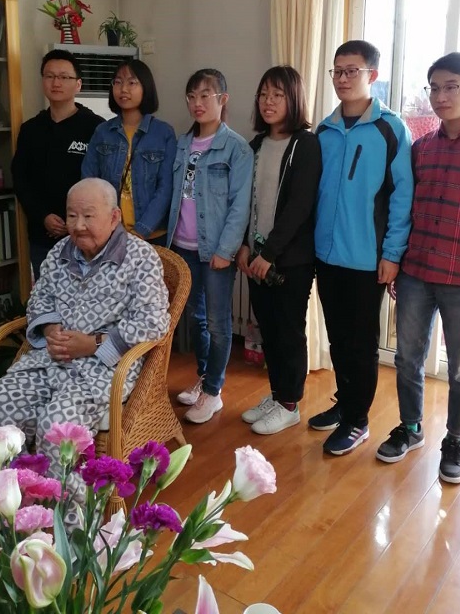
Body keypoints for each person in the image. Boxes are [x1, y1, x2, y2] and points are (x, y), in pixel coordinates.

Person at [0, 177, 170, 516]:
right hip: (50, 360)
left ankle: (71, 519)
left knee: (58, 427)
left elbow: (153, 321)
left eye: (88, 216)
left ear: (114, 217)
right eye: (71, 216)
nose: (78, 226)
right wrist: (51, 328)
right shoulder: (59, 253)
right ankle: (16, 502)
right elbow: (39, 300)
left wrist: (93, 344)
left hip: (102, 369)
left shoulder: (140, 258)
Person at [376, 52, 460, 482]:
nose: (440, 96)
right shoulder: (422, 148)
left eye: (451, 87)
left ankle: (455, 439)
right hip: (417, 273)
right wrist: (399, 263)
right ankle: (411, 426)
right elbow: (407, 209)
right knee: (407, 358)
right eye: (434, 88)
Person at [308, 40, 413, 455]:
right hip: (326, 255)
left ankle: (358, 421)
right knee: (337, 339)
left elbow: (402, 197)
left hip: (368, 259)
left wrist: (392, 254)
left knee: (361, 344)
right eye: (337, 71)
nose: (343, 78)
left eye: (352, 71)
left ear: (373, 75)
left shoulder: (391, 129)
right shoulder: (325, 129)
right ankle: (346, 402)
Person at [237, 66, 320, 434]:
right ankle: (276, 394)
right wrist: (244, 246)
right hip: (255, 255)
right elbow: (246, 202)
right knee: (268, 330)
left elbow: (299, 206)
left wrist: (269, 254)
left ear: (293, 99)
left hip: (289, 260)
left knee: (288, 332)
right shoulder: (255, 145)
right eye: (263, 94)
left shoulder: (306, 144)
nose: (268, 102)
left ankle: (290, 404)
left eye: (277, 95)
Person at [167, 69, 253, 424]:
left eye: (205, 95)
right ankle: (204, 378)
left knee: (218, 323)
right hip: (182, 247)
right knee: (196, 318)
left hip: (215, 249)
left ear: (222, 99)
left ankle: (214, 391)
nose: (197, 103)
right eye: (191, 96)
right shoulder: (182, 144)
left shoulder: (236, 148)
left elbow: (240, 206)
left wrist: (226, 250)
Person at [12, 49, 104, 279]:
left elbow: (102, 182)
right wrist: (43, 216)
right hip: (42, 235)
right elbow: (21, 179)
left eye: (64, 77)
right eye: (50, 76)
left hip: (87, 235)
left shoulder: (96, 127)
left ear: (78, 84)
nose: (56, 83)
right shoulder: (30, 129)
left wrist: (73, 219)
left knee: (88, 295)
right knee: (48, 296)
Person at [82, 59, 176, 245]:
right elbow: (89, 181)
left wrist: (141, 230)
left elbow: (166, 187)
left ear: (145, 87)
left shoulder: (163, 133)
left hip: (153, 235)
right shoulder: (102, 132)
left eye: (132, 82)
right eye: (118, 82)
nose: (123, 89)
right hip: (110, 232)